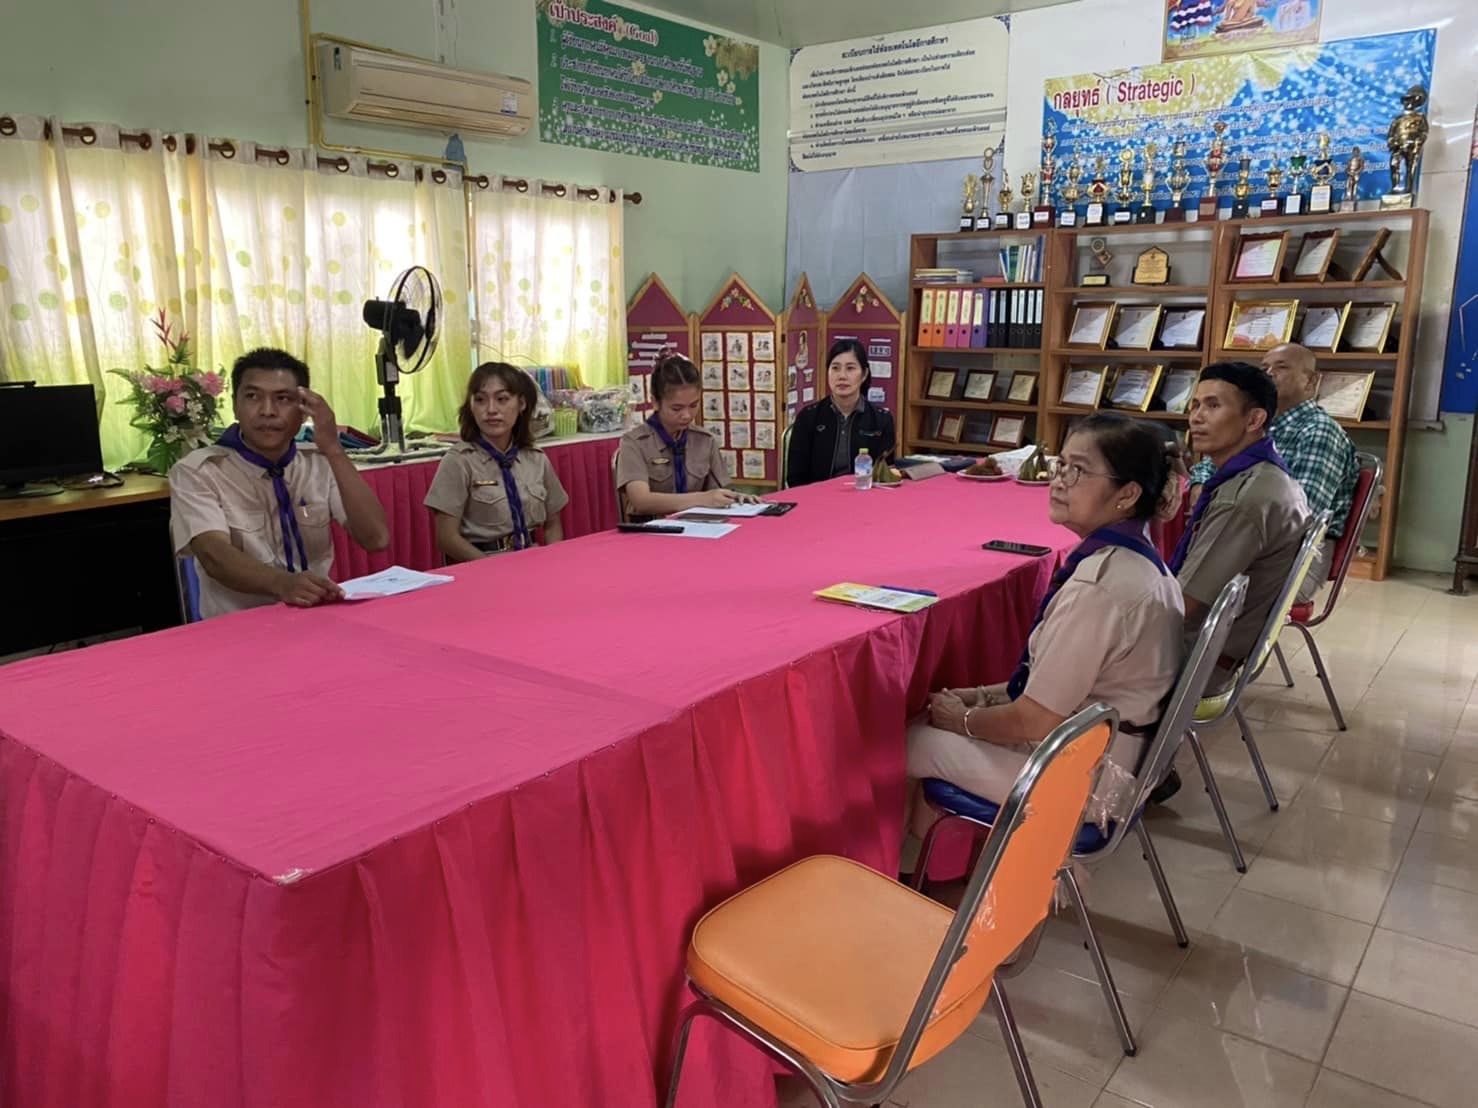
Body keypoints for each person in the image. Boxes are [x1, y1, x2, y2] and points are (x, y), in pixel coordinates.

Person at [904, 414, 1185, 854]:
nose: (1059, 481)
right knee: (936, 722)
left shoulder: (1101, 588)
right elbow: (1058, 685)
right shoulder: (1139, 562)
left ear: (1127, 494)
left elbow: (1035, 719)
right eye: (1061, 465)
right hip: (1109, 752)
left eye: (1079, 471)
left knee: (910, 741)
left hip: (1087, 777)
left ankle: (935, 873)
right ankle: (943, 866)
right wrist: (979, 696)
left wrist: (962, 719)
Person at [170, 347, 389, 618]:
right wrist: (283, 584)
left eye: (283, 399)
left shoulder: (319, 462)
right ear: (235, 405)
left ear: (304, 410)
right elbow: (215, 556)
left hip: (317, 619)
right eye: (253, 396)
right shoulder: (198, 471)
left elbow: (376, 538)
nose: (267, 411)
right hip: (240, 627)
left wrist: (333, 449)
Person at [1187, 343, 1355, 601]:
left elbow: (1300, 517)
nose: (1269, 373)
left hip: (1294, 556)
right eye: (1264, 367)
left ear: (1311, 381)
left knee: (1191, 592)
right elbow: (1209, 465)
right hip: (1240, 530)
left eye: (1281, 367)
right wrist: (1201, 485)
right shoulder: (1262, 423)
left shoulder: (1319, 431)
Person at [425, 363, 569, 562]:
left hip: (532, 559)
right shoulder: (459, 461)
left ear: (521, 404)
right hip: (481, 564)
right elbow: (447, 538)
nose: (491, 410)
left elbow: (553, 524)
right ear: (471, 406)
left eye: (502, 399)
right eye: (480, 400)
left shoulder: (536, 458)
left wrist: (552, 559)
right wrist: (493, 568)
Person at [615, 352, 754, 520]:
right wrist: (702, 499)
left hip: (700, 527)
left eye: (694, 405)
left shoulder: (704, 440)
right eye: (677, 408)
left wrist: (736, 498)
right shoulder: (634, 443)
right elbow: (641, 501)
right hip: (650, 529)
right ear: (655, 402)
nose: (687, 415)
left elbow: (720, 491)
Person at [785, 338, 896, 488]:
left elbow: (885, 475)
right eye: (835, 368)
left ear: (864, 374)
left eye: (850, 368)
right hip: (817, 497)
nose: (842, 376)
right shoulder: (808, 417)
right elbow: (795, 477)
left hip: (865, 497)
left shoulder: (882, 420)